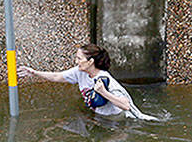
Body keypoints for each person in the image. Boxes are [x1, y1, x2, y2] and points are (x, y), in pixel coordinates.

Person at [18, 43, 154, 120]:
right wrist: (34, 72)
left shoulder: (105, 80)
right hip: (97, 116)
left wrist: (103, 92)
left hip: (115, 120)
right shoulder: (79, 72)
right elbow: (57, 77)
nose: (76, 62)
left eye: (79, 58)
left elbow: (126, 105)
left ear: (90, 62)